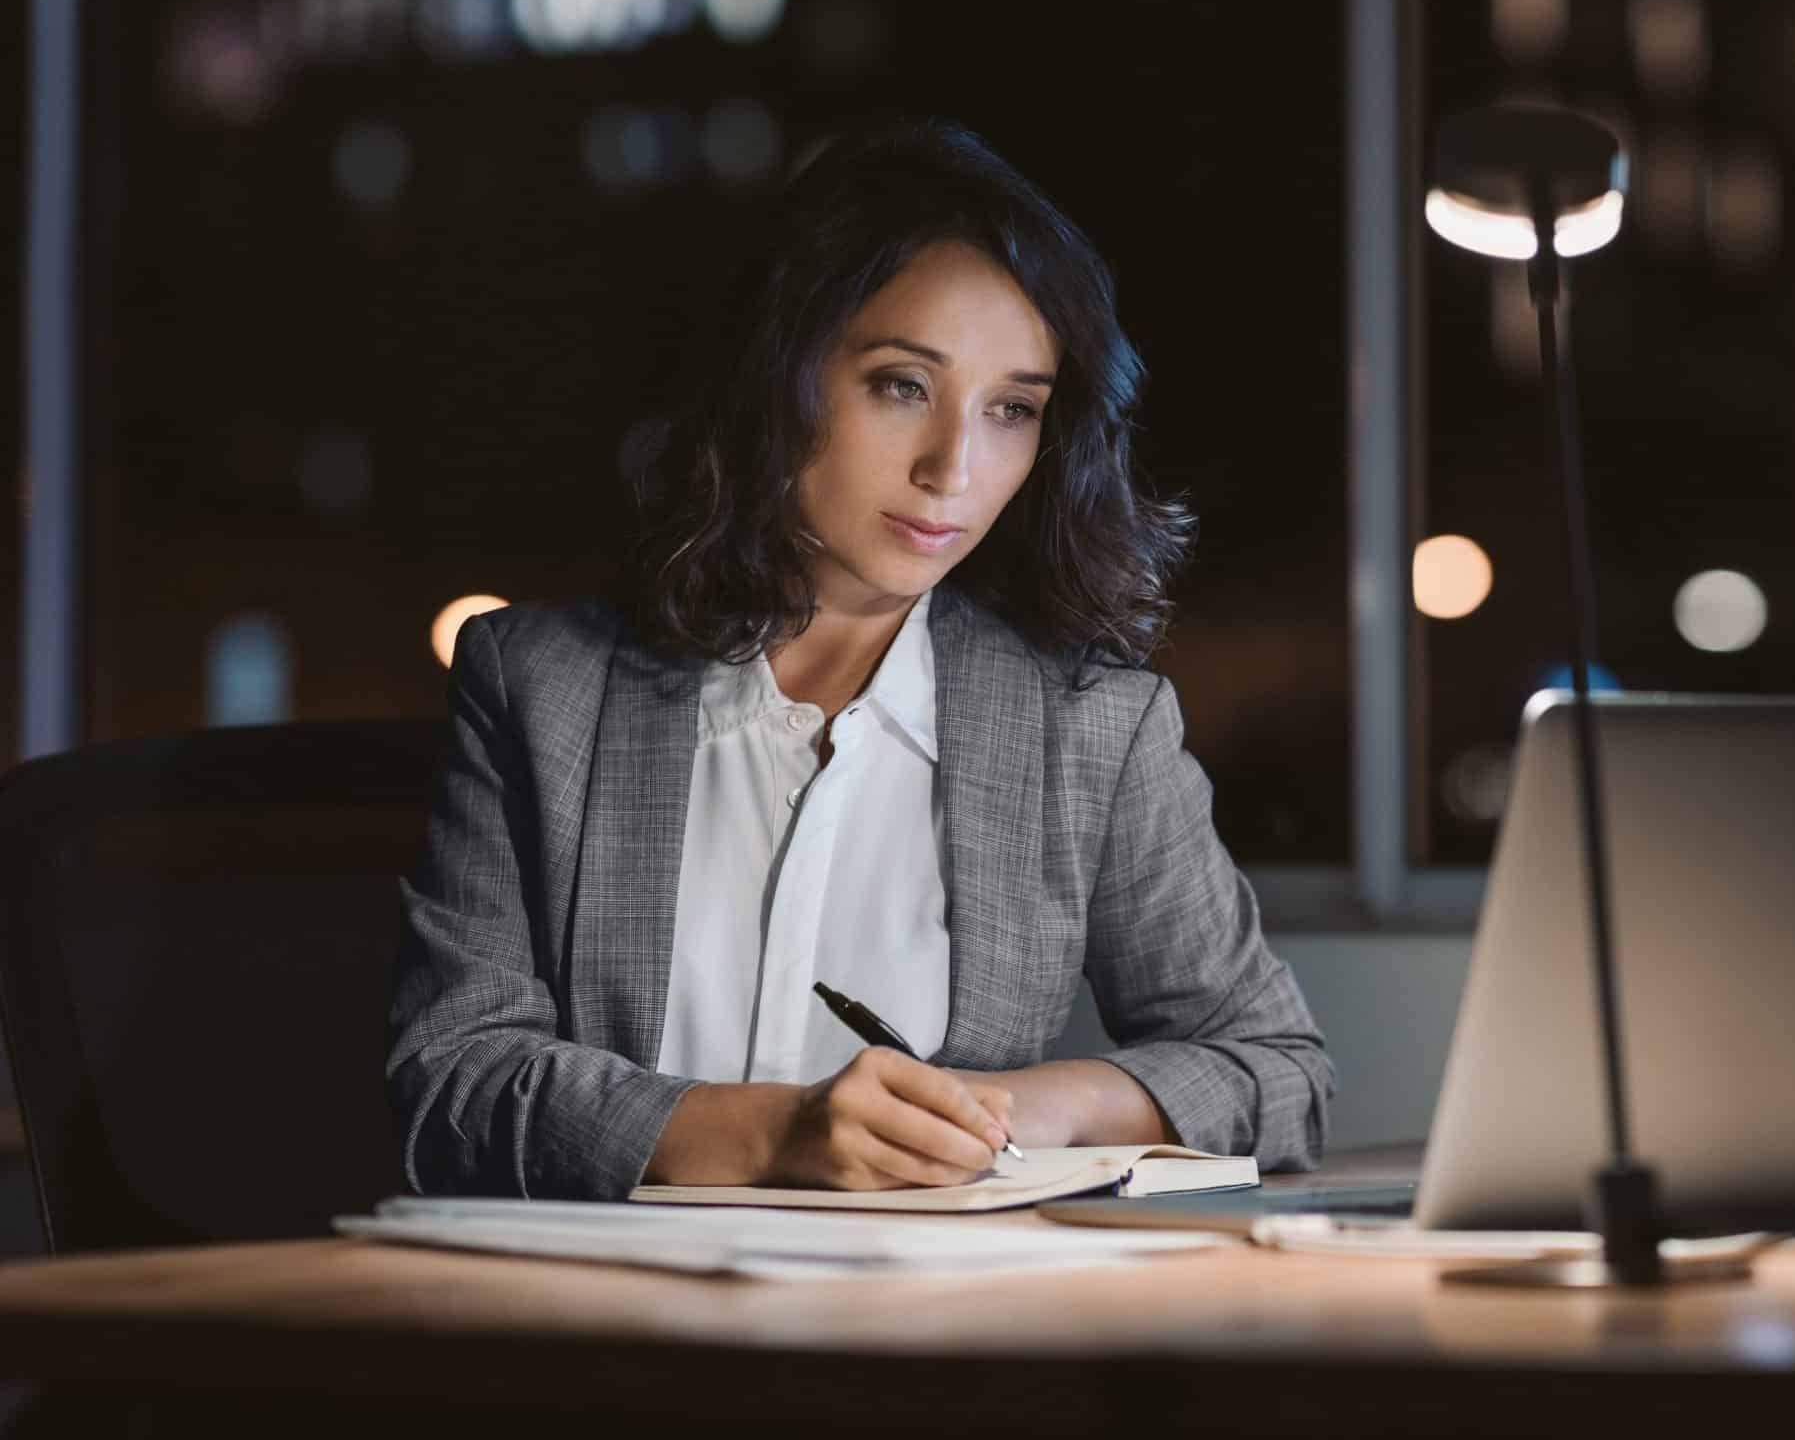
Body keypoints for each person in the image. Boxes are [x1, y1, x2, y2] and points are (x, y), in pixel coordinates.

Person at [388, 116, 1331, 1199]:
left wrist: (1025, 1104)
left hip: (931, 1334)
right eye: (900, 384)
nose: (954, 468)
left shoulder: (1089, 723)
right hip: (605, 1330)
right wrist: (768, 1134)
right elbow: (449, 1081)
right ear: (774, 373)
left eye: (1013, 409)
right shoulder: (541, 683)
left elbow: (1277, 1069)